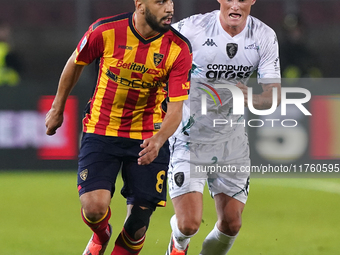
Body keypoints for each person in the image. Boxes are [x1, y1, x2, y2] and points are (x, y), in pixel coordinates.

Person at [45, 0, 192, 254]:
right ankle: (101, 235)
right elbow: (75, 62)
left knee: (137, 225)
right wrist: (58, 108)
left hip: (148, 138)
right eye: (160, 2)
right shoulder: (105, 31)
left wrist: (158, 140)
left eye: (171, 1)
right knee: (94, 208)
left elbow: (176, 110)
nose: (169, 8)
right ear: (140, 5)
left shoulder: (178, 48)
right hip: (102, 130)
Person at [166, 0, 281, 255]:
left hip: (232, 140)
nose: (236, 5)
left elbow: (273, 96)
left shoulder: (264, 35)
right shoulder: (191, 29)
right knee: (188, 224)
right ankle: (178, 242)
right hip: (189, 136)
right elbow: (157, 56)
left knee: (231, 224)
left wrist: (249, 96)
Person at [0, 20, 21, 86]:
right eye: (3, 30)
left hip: (9, 85)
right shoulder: (5, 48)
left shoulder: (9, 47)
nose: (6, 33)